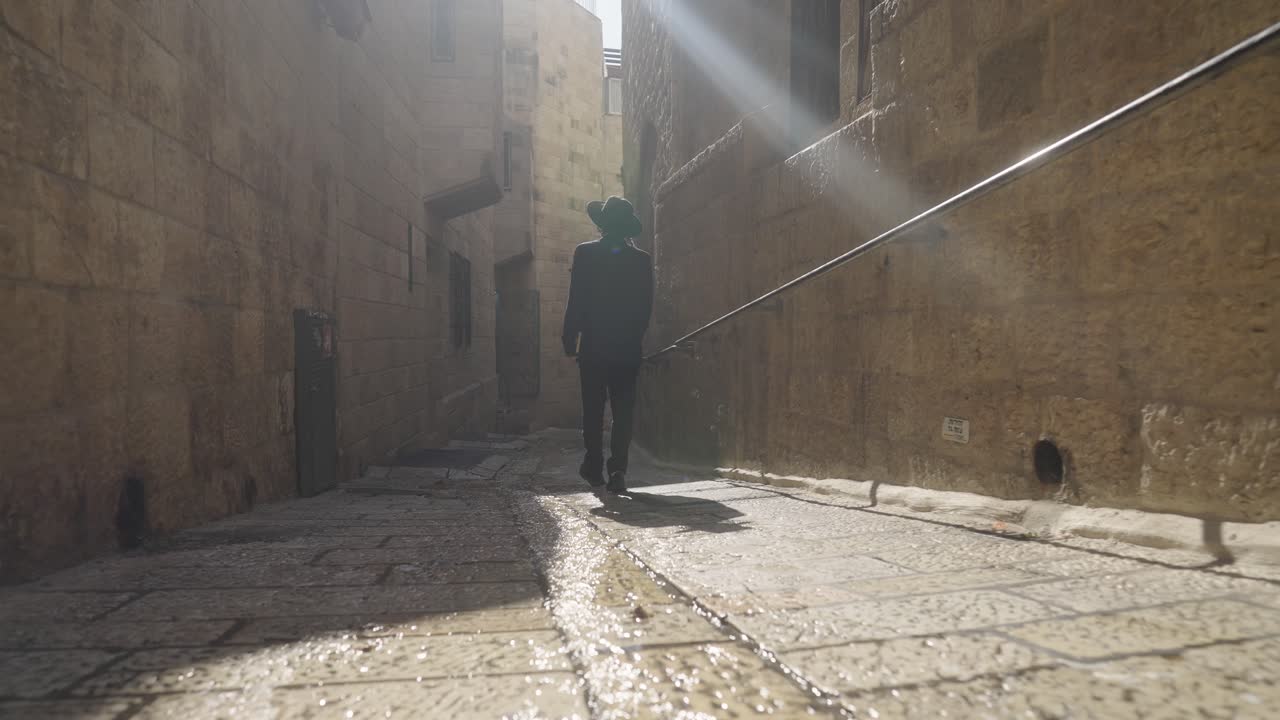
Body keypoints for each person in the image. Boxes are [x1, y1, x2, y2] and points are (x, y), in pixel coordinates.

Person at [562, 196, 653, 494]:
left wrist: (569, 336)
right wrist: (634, 339)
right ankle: (618, 470)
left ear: (602, 224)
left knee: (593, 408)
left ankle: (593, 464)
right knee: (623, 411)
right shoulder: (641, 260)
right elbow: (645, 308)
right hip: (626, 349)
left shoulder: (585, 253)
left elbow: (577, 299)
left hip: (594, 346)